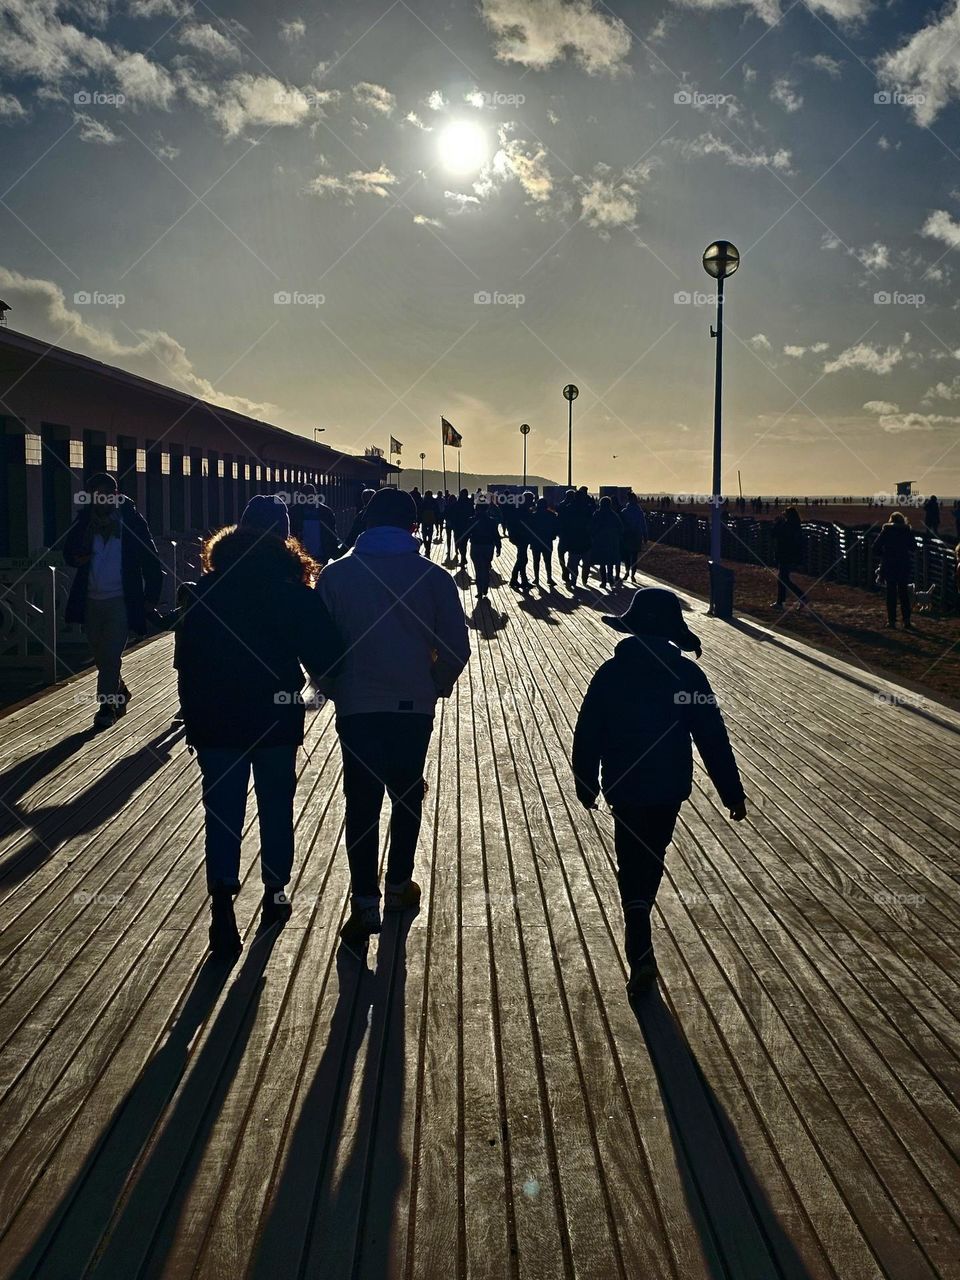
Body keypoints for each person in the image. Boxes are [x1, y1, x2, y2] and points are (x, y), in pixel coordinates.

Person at [175, 495, 343, 958]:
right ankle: (275, 890)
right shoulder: (290, 590)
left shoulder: (203, 591)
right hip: (274, 715)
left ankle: (223, 905)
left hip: (215, 718)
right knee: (275, 804)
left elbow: (184, 664)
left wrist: (193, 721)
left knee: (223, 812)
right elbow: (328, 657)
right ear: (283, 536)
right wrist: (312, 693)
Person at [572, 588, 746, 996]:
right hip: (669, 785)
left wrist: (586, 781)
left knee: (630, 855)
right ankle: (641, 917)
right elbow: (712, 736)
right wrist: (731, 792)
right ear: (671, 632)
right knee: (653, 853)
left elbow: (589, 730)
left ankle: (637, 930)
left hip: (624, 783)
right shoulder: (687, 675)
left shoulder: (611, 674)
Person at [317, 488, 470, 944]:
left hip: (358, 704)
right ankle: (399, 886)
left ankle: (364, 902)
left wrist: (334, 688)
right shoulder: (434, 578)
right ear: (413, 526)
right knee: (406, 793)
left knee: (361, 801)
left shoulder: (336, 576)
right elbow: (457, 648)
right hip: (412, 706)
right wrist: (434, 684)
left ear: (366, 521)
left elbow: (319, 646)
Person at [64, 473, 164, 730]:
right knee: (100, 655)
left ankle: (106, 707)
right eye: (97, 494)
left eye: (107, 494)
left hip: (120, 598)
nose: (102, 499)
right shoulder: (85, 522)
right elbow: (68, 552)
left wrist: (151, 597)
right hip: (90, 599)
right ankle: (119, 689)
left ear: (116, 494)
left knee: (110, 654)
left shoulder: (130, 522)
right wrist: (78, 557)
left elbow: (150, 559)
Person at [874, 510, 914, 629]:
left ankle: (891, 621)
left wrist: (884, 555)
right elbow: (914, 547)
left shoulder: (886, 530)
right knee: (904, 594)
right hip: (903, 565)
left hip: (889, 565)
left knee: (891, 593)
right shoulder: (907, 531)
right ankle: (906, 620)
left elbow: (875, 547)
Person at [289, 483, 340, 565]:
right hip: (303, 555)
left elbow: (332, 534)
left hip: (317, 555)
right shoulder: (325, 511)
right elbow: (332, 534)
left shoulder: (294, 511)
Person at [466, 497, 502, 599]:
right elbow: (496, 535)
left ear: (476, 508)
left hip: (476, 545)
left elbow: (467, 534)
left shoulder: (471, 520)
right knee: (486, 568)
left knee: (477, 569)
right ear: (487, 509)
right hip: (488, 546)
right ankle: (485, 586)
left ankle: (479, 590)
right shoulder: (491, 521)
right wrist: (499, 547)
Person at [770, 506, 806, 608]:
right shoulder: (795, 526)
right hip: (789, 555)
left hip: (785, 555)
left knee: (783, 579)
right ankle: (781, 601)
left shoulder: (786, 526)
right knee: (783, 578)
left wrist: (777, 524)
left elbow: (774, 534)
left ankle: (800, 597)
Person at [564, 488, 595, 588]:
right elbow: (591, 522)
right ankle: (584, 579)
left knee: (573, 562)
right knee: (586, 562)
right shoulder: (587, 508)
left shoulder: (569, 508)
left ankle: (574, 579)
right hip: (585, 539)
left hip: (574, 540)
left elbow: (566, 524)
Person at [590, 495, 623, 588]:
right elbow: (620, 528)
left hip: (599, 542)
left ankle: (604, 581)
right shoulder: (614, 515)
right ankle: (610, 578)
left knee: (602, 562)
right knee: (610, 562)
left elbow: (592, 527)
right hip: (612, 542)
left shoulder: (597, 514)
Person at [508, 490, 536, 590]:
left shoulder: (519, 508)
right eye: (531, 499)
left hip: (518, 537)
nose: (532, 501)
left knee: (522, 558)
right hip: (521, 537)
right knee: (522, 559)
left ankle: (519, 579)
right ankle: (515, 579)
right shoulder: (524, 510)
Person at [530, 498, 559, 587]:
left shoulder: (533, 516)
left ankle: (536, 578)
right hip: (547, 540)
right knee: (548, 561)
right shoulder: (552, 515)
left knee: (536, 561)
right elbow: (555, 528)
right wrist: (553, 536)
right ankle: (549, 578)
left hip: (535, 541)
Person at [620, 492, 647, 581]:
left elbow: (621, 524)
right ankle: (632, 574)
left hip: (628, 536)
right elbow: (643, 524)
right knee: (634, 556)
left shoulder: (625, 511)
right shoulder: (639, 511)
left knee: (627, 556)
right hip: (636, 535)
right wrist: (645, 535)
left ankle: (628, 573)